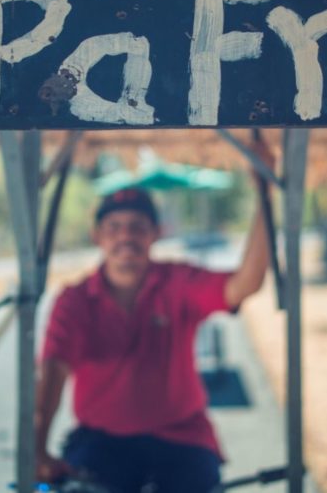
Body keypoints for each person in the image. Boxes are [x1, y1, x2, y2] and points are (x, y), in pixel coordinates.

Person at [35, 143, 273, 493]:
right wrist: (37, 446)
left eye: (137, 226)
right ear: (97, 236)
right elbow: (53, 369)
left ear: (155, 233)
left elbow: (245, 284)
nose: (126, 236)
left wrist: (264, 192)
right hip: (102, 440)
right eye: (114, 227)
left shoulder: (177, 281)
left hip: (183, 437)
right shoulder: (74, 300)